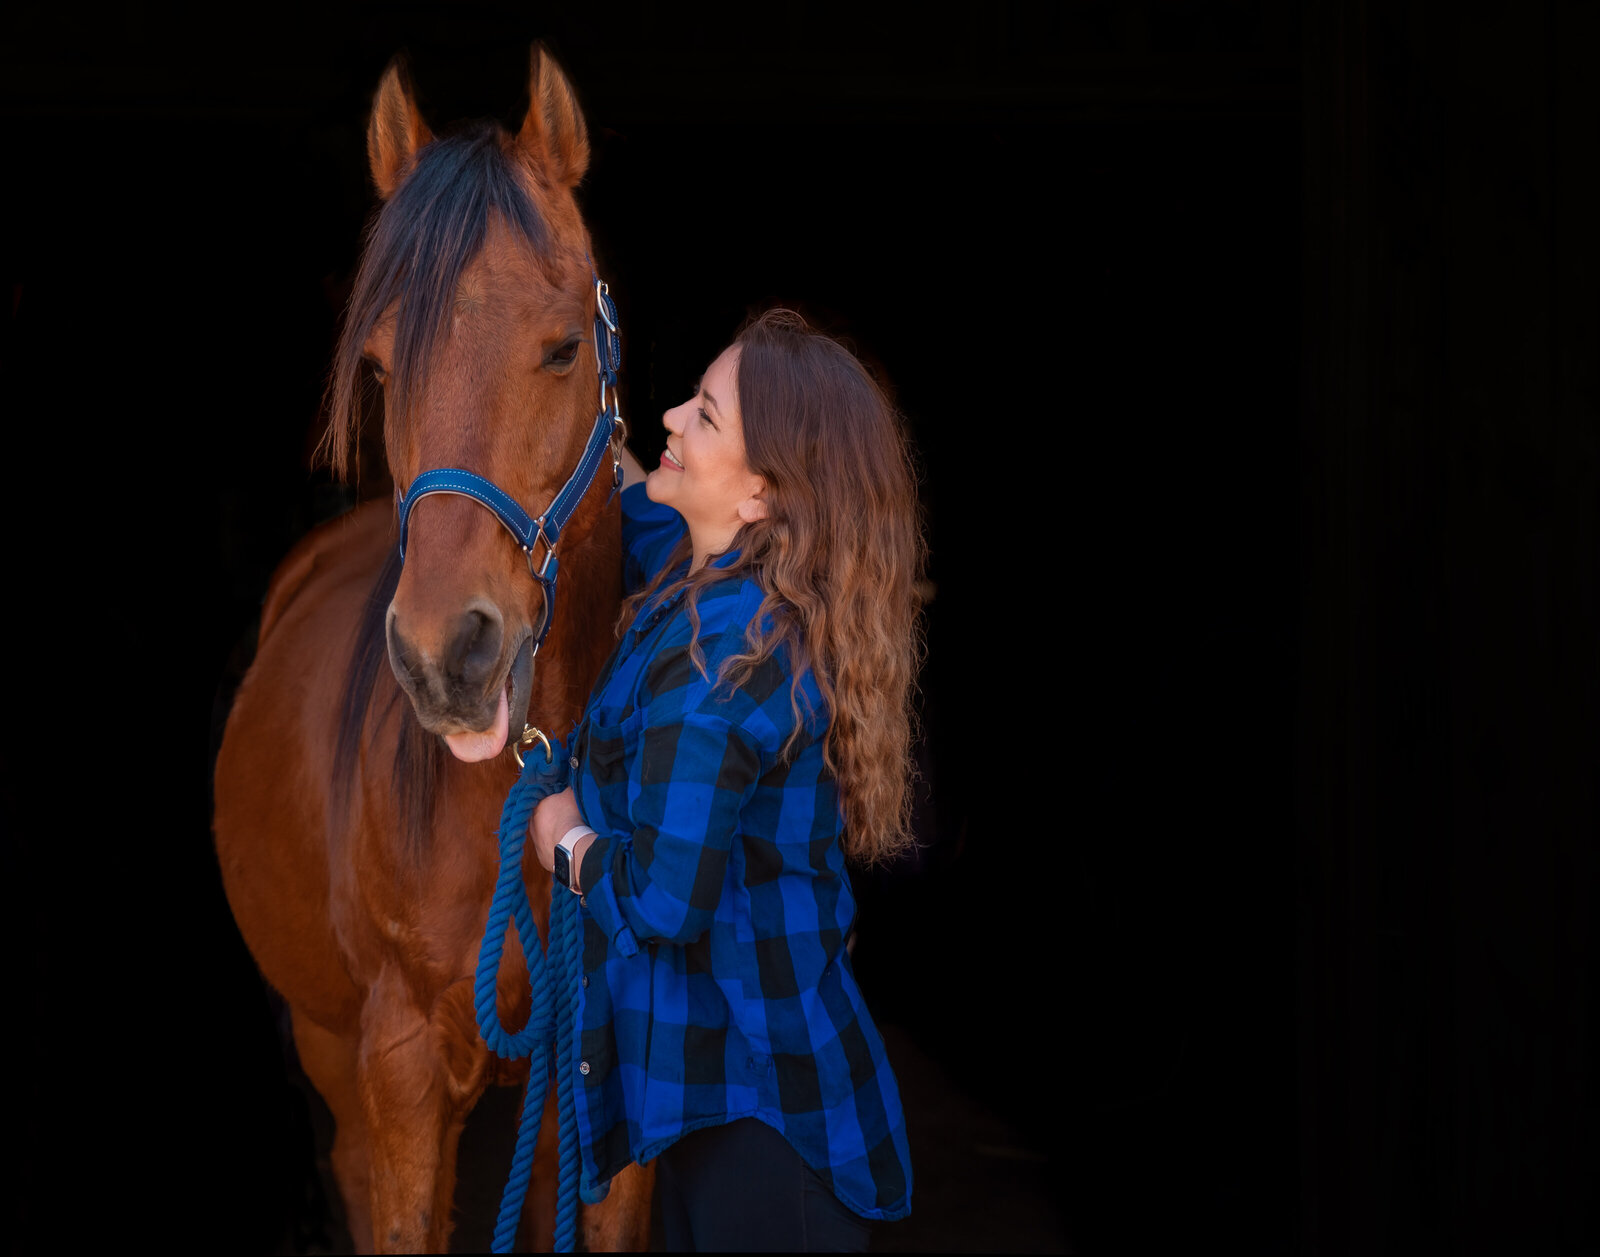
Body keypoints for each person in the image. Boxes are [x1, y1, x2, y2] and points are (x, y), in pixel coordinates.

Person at [529, 306, 924, 1251]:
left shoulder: (723, 668)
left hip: (768, 1142)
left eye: (704, 416)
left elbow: (666, 907)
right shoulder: (711, 577)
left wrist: (565, 840)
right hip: (726, 1110)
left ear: (759, 495)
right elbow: (623, 501)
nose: (672, 417)